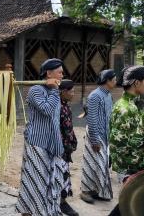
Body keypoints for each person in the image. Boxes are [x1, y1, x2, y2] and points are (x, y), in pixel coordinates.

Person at [15, 58, 64, 216]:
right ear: (49, 73)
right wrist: (54, 91)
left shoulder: (53, 91)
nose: (62, 75)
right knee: (34, 181)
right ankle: (29, 212)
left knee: (48, 181)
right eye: (60, 72)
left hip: (52, 143)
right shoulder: (36, 90)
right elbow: (47, 110)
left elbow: (55, 119)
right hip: (37, 143)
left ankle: (43, 211)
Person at [108, 65, 144, 216]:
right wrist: (131, 173)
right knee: (131, 206)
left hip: (129, 167)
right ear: (136, 83)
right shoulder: (127, 109)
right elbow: (121, 145)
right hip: (129, 169)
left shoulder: (127, 104)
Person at [80, 69, 116, 203]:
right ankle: (85, 191)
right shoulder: (95, 96)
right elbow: (92, 119)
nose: (116, 81)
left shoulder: (108, 95)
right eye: (114, 79)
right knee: (91, 164)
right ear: (107, 80)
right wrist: (94, 140)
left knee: (101, 165)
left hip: (105, 135)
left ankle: (96, 190)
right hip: (95, 134)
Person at [58, 80, 79, 216]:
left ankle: (62, 201)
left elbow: (69, 127)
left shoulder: (66, 106)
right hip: (59, 148)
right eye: (71, 91)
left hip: (66, 148)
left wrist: (73, 141)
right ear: (64, 91)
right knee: (60, 174)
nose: (73, 94)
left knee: (64, 173)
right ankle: (61, 203)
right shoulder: (57, 107)